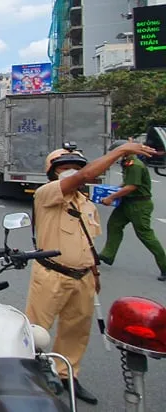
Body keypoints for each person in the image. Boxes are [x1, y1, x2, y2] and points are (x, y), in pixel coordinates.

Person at [26, 141, 155, 405]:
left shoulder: (86, 203)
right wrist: (120, 151)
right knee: (35, 332)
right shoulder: (47, 194)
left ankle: (67, 375)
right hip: (51, 275)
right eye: (64, 168)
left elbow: (88, 241)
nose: (71, 172)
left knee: (76, 332)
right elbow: (84, 177)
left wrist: (94, 274)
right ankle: (27, 377)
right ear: (52, 172)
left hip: (82, 276)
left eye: (75, 167)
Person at [98, 139, 166, 281]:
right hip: (128, 202)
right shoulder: (127, 162)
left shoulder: (134, 164)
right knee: (114, 225)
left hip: (139, 205)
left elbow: (132, 186)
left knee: (145, 236)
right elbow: (127, 183)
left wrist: (111, 197)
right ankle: (107, 255)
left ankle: (164, 266)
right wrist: (116, 190)